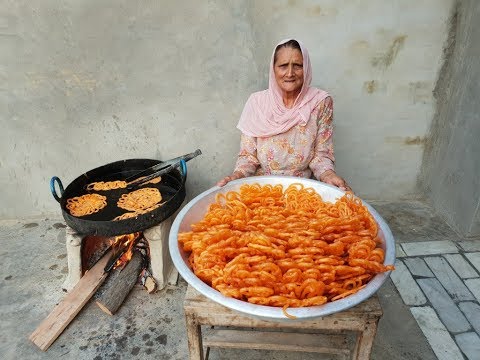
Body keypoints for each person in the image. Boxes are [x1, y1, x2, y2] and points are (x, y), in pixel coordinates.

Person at [217, 38, 351, 191]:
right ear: (273, 69)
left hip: (302, 190)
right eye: (283, 66)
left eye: (298, 66)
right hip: (261, 191)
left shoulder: (320, 102)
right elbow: (248, 156)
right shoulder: (257, 103)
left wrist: (328, 175)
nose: (290, 73)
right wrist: (236, 176)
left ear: (306, 68)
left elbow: (321, 155)